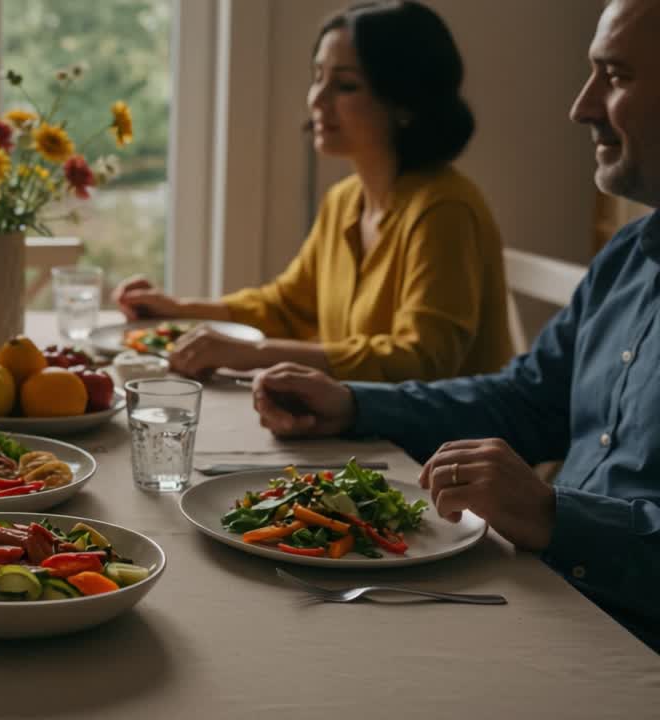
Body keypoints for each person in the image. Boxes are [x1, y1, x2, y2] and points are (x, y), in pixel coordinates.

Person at [251, 0, 660, 651]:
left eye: (614, 77)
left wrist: (555, 515)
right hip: (542, 599)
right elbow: (525, 401)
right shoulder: (629, 256)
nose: (580, 107)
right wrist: (355, 404)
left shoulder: (443, 205)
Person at [114, 1, 512, 383]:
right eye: (317, 76)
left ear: (405, 103)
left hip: (444, 431)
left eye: (345, 85)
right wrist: (179, 310)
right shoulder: (345, 200)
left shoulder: (444, 210)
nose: (316, 99)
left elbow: (423, 361)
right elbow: (286, 308)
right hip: (362, 419)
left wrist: (256, 353)